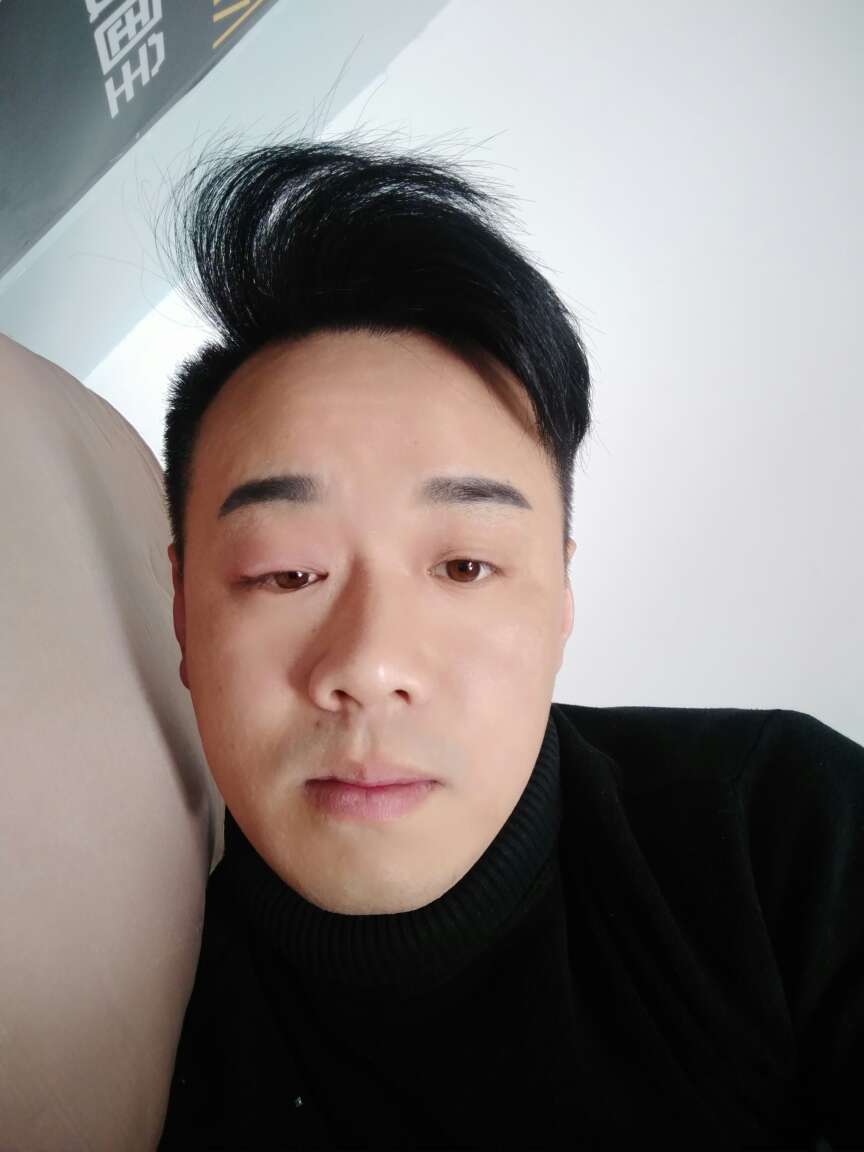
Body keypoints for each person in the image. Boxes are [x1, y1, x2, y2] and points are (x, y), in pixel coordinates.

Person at [156, 138, 862, 1151]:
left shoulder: (780, 837)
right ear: (182, 610)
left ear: (561, 595)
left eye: (464, 566)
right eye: (287, 573)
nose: (370, 666)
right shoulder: (117, 1030)